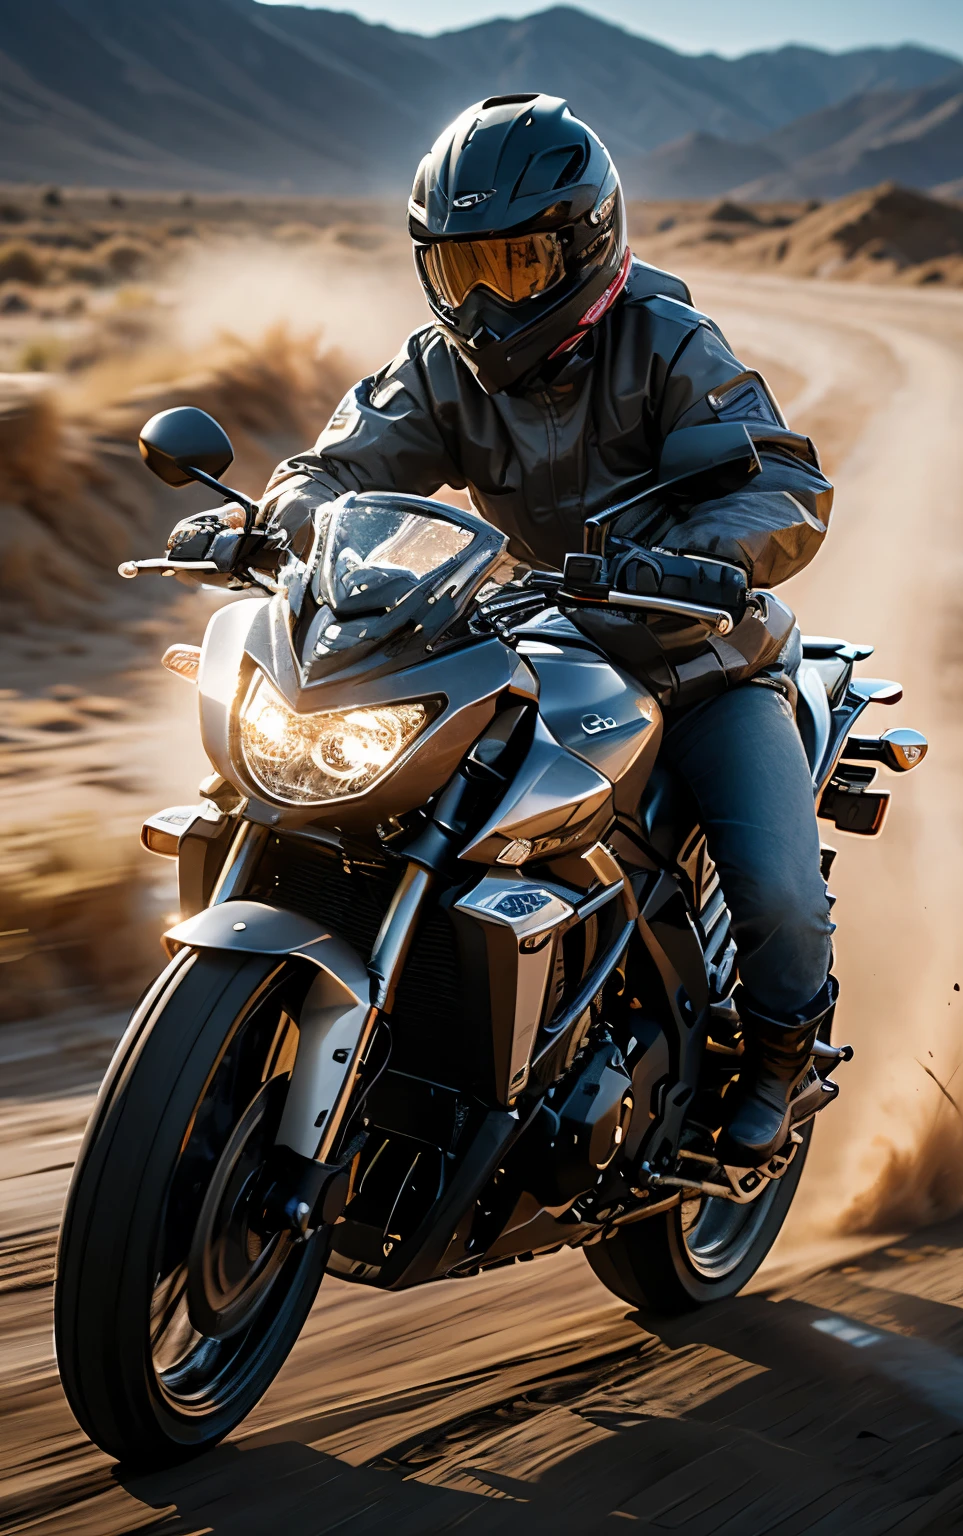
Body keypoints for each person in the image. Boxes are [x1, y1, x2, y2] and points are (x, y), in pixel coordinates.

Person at [169, 94, 838, 1168]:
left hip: (696, 654)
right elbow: (338, 469)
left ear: (589, 246)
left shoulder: (668, 344)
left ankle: (777, 1062)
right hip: (541, 629)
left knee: (779, 892)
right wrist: (277, 522)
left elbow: (785, 480)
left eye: (516, 266)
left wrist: (708, 555)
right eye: (457, 271)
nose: (483, 301)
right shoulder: (440, 365)